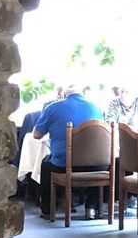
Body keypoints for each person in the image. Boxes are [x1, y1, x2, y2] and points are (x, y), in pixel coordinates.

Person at [32, 84, 104, 219]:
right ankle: (91, 207)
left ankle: (47, 210)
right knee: (96, 161)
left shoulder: (53, 107)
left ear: (65, 94)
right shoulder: (96, 108)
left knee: (45, 163)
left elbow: (36, 135)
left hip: (64, 165)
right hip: (95, 166)